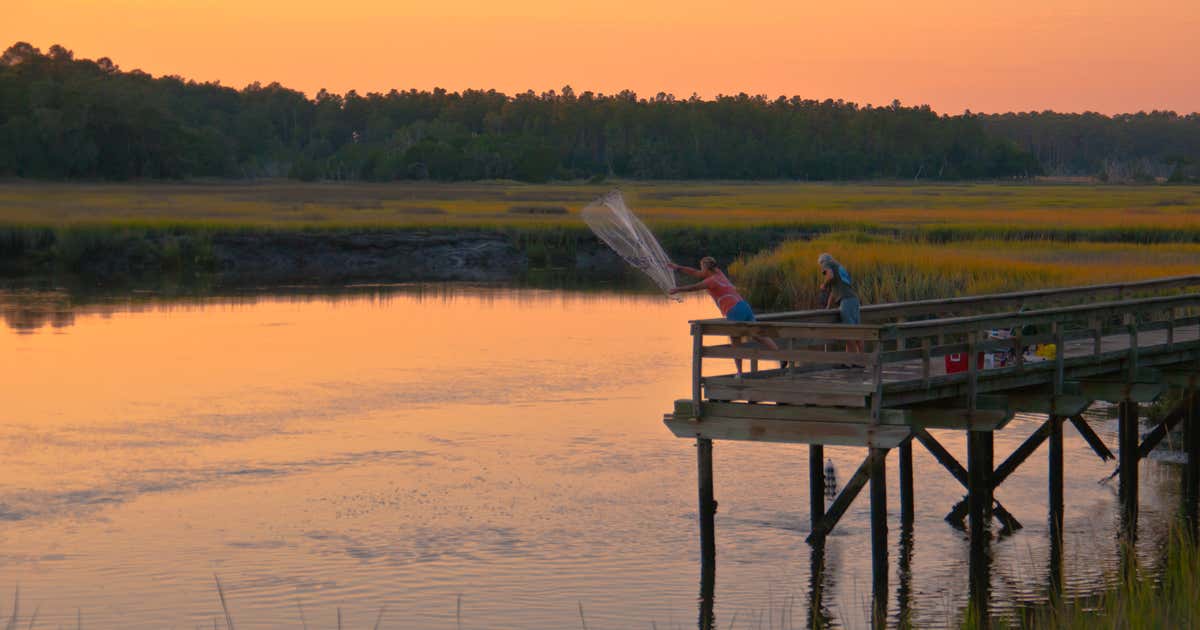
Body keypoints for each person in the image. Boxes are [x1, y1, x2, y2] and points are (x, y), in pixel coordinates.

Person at [668, 257, 780, 377]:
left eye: (702, 267)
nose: (700, 271)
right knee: (758, 335)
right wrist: (678, 268)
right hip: (744, 306)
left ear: (706, 268)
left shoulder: (711, 281)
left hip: (734, 309)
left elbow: (693, 288)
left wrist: (677, 289)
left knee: (735, 342)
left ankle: (740, 372)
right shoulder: (719, 273)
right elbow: (695, 273)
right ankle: (781, 356)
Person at [817, 253, 863, 355]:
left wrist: (824, 285)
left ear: (823, 262)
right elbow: (834, 291)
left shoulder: (827, 263)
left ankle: (855, 361)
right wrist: (828, 307)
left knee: (849, 331)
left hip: (846, 301)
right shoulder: (840, 268)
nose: (823, 271)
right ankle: (856, 361)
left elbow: (830, 276)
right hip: (853, 300)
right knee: (857, 331)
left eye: (823, 270)